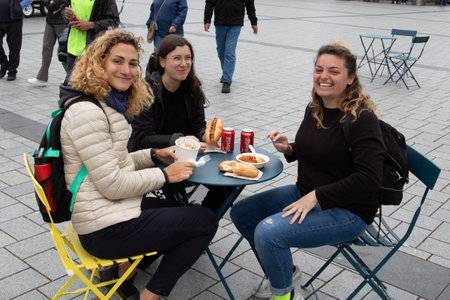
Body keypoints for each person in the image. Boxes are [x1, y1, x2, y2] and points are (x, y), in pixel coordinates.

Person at [60, 30, 218, 300]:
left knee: (180, 209)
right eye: (117, 61)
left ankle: (125, 272)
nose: (127, 70)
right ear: (98, 63)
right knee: (204, 221)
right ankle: (150, 295)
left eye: (133, 63)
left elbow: (118, 162)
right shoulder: (89, 112)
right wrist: (164, 175)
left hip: (106, 210)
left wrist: (156, 155)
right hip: (102, 227)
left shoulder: (104, 103)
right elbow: (113, 184)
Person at [230, 42, 385, 300]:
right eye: (319, 69)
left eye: (334, 71)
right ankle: (286, 274)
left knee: (268, 232)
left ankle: (284, 295)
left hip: (349, 210)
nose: (323, 77)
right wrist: (289, 148)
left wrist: (316, 196)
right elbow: (321, 151)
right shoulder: (316, 107)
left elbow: (369, 179)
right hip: (306, 194)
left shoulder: (362, 119)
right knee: (242, 213)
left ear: (350, 78)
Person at [129, 34, 228, 213]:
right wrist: (179, 140)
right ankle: (190, 219)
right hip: (152, 157)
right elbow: (141, 137)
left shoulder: (192, 87)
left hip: (187, 155)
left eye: (188, 58)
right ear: (162, 61)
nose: (184, 64)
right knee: (176, 196)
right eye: (177, 58)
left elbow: (197, 126)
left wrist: (205, 135)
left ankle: (204, 219)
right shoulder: (146, 91)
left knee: (227, 184)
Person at [204, 0, 258, 93]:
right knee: (221, 50)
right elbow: (209, 2)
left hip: (235, 23)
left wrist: (254, 22)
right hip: (220, 22)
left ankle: (227, 81)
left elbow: (250, 4)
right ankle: (226, 72)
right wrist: (207, 20)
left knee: (229, 51)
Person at [63, 0, 119, 82]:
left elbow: (114, 21)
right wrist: (66, 15)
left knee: (90, 88)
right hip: (72, 49)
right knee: (71, 87)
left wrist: (91, 25)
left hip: (93, 52)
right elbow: (63, 9)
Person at [28, 0, 68, 86]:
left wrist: (51, 3)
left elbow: (56, 5)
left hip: (61, 21)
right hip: (50, 20)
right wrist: (49, 2)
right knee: (46, 48)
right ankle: (42, 77)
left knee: (63, 50)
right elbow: (46, 3)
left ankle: (71, 76)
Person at [0, 0, 32, 81]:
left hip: (14, 20)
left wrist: (19, 6)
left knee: (14, 47)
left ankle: (12, 71)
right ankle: (4, 65)